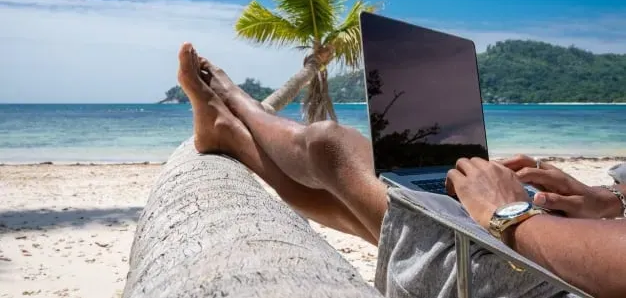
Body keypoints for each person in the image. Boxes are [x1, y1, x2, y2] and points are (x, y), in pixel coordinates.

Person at [176, 42, 626, 298]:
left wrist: (509, 213)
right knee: (367, 202)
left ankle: (239, 110)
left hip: (570, 283)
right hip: (595, 245)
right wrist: (610, 200)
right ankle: (230, 133)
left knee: (330, 144)